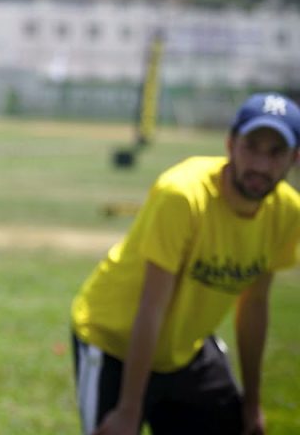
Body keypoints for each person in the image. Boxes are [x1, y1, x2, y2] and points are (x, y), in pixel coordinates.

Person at [71, 92, 300, 435]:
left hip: (184, 351)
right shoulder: (183, 196)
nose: (261, 165)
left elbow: (254, 305)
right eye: (251, 147)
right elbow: (151, 306)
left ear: (294, 158)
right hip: (115, 342)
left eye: (276, 152)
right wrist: (129, 409)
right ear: (230, 144)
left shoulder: (287, 212)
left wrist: (252, 403)